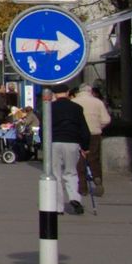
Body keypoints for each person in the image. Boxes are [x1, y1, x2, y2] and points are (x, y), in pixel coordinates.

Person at [47, 86, 90, 214]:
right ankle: (74, 198)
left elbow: (45, 127)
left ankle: (58, 207)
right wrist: (85, 147)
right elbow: (84, 129)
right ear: (67, 93)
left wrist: (44, 145)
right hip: (72, 142)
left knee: (56, 174)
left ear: (54, 94)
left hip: (54, 141)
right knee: (71, 172)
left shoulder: (50, 107)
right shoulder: (76, 108)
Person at [77, 82, 112, 193]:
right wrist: (98, 125)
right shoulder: (98, 102)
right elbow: (106, 120)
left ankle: (82, 187)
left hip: (79, 135)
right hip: (94, 133)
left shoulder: (74, 102)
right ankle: (97, 178)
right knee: (94, 159)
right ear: (90, 91)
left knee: (80, 160)